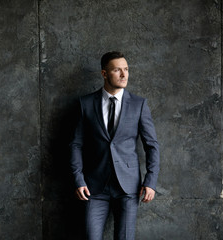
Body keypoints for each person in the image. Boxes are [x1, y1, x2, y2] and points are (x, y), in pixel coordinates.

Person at [69, 51, 160, 240]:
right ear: (104, 74)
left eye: (126, 69)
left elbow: (151, 146)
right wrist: (79, 179)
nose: (124, 75)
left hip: (128, 187)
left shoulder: (139, 104)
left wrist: (150, 181)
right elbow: (76, 144)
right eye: (117, 70)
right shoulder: (85, 104)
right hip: (93, 188)